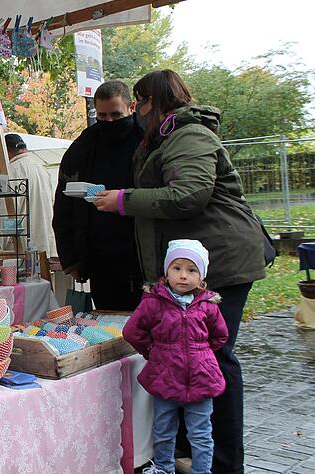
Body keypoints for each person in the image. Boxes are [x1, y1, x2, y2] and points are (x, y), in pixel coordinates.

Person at [94, 69, 266, 473]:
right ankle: (194, 455)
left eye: (139, 101)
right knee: (192, 359)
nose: (136, 110)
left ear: (154, 100)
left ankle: (223, 464)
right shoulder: (168, 135)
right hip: (196, 263)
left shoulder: (190, 135)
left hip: (219, 263)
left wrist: (124, 200)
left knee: (213, 360)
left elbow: (189, 194)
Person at [124, 239, 228, 474]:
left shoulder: (208, 305)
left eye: (191, 270)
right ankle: (163, 468)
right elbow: (132, 331)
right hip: (165, 377)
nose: (183, 276)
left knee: (201, 433)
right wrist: (152, 351)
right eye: (177, 268)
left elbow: (220, 336)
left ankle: (202, 471)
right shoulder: (153, 302)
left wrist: (201, 354)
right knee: (163, 429)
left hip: (201, 379)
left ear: (201, 276)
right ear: (166, 271)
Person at [52, 80, 143, 311]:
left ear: (131, 107)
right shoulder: (82, 147)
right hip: (100, 257)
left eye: (115, 114)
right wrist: (71, 258)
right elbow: (63, 205)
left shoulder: (147, 139)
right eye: (102, 116)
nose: (109, 122)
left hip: (143, 253)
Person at [0, 133, 57, 261]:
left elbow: (1, 216)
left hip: (19, 250)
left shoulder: (8, 173)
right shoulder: (42, 169)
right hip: (45, 244)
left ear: (5, 151)